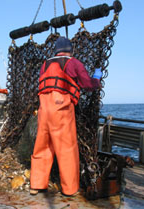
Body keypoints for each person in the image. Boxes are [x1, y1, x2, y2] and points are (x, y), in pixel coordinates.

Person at [30, 37, 102, 196]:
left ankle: (36, 184)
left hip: (43, 109)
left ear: (55, 50)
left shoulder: (45, 64)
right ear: (71, 50)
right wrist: (97, 78)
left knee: (42, 147)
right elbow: (87, 85)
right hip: (61, 108)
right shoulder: (73, 63)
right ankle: (70, 189)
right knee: (66, 149)